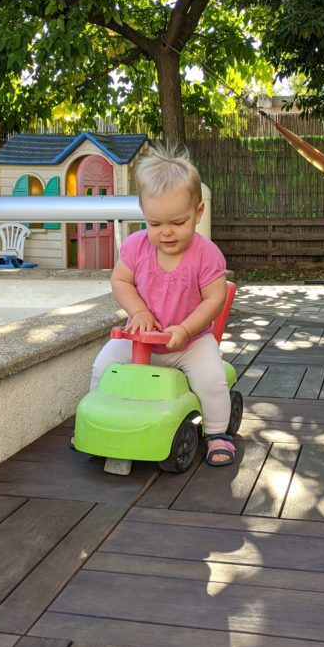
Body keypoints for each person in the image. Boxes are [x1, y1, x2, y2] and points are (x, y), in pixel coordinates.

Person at [89, 143, 235, 466]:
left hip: (190, 342)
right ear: (143, 213)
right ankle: (100, 420)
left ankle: (217, 433)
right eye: (155, 224)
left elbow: (215, 298)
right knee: (103, 365)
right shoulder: (135, 247)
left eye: (177, 223)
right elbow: (120, 280)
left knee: (212, 380)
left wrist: (186, 329)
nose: (166, 232)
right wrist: (138, 311)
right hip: (142, 341)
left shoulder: (206, 255)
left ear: (198, 212)